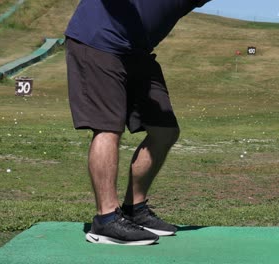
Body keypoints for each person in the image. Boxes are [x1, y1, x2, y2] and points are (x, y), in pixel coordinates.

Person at [64, 0, 211, 245]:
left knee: (164, 130)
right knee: (108, 127)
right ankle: (106, 219)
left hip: (136, 51)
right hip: (99, 38)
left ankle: (135, 208)